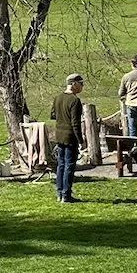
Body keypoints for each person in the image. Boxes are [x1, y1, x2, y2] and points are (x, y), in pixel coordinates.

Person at [49, 73, 87, 203]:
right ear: (74, 84)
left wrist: (62, 116)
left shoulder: (58, 98)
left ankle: (59, 193)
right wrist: (81, 141)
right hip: (70, 137)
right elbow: (75, 123)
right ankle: (66, 194)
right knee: (69, 166)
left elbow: (53, 115)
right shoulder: (75, 101)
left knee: (61, 165)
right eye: (81, 84)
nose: (82, 86)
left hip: (59, 135)